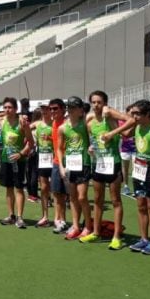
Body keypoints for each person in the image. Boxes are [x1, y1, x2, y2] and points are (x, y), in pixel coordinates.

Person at [80, 91, 133, 250]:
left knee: (116, 200)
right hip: (98, 163)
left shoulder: (109, 114)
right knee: (97, 200)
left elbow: (131, 120)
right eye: (94, 102)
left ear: (105, 103)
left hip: (113, 163)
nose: (96, 105)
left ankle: (116, 236)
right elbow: (94, 141)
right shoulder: (89, 121)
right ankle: (96, 232)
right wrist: (91, 148)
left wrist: (112, 133)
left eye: (99, 102)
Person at [124, 100, 150, 254]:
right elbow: (125, 133)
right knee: (140, 206)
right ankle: (143, 239)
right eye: (132, 113)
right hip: (138, 169)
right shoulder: (136, 126)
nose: (134, 116)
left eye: (137, 114)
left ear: (148, 114)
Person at [57, 96, 93, 240]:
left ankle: (88, 226)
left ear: (80, 110)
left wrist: (91, 146)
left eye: (74, 107)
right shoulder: (62, 128)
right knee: (72, 197)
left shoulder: (85, 124)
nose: (70, 110)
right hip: (70, 164)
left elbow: (93, 136)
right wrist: (61, 165)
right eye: (69, 107)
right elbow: (59, 148)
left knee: (82, 196)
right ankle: (76, 225)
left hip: (83, 163)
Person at [0, 97, 35, 229]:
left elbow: (31, 143)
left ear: (16, 109)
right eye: (5, 107)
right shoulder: (1, 121)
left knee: (19, 188)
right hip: (5, 159)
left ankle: (20, 217)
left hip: (19, 161)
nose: (7, 110)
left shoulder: (22, 123)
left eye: (10, 108)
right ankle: (11, 215)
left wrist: (21, 154)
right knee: (8, 188)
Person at [48, 98, 69, 233]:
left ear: (63, 109)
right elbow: (57, 142)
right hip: (56, 162)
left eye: (55, 108)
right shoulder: (54, 123)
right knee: (57, 193)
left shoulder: (67, 124)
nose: (52, 111)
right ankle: (59, 220)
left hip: (69, 163)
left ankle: (66, 221)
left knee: (70, 195)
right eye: (51, 109)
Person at [31, 103, 53, 227]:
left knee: (56, 190)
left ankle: (59, 218)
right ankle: (45, 216)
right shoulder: (38, 124)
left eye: (47, 109)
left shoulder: (55, 124)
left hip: (54, 159)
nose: (44, 111)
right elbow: (26, 128)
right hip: (42, 159)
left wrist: (50, 138)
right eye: (42, 109)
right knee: (44, 188)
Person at [25, 108, 42, 203]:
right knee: (34, 173)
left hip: (29, 151)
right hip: (34, 151)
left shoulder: (30, 125)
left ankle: (31, 193)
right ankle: (33, 194)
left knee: (29, 173)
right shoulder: (38, 126)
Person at [119, 104, 136, 196]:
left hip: (136, 148)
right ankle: (126, 186)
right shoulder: (122, 122)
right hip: (125, 148)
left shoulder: (138, 121)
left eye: (135, 113)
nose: (133, 114)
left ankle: (135, 188)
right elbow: (123, 134)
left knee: (135, 168)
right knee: (125, 168)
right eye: (132, 112)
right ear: (127, 112)